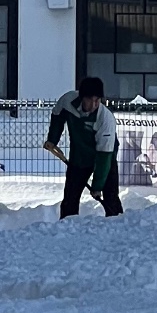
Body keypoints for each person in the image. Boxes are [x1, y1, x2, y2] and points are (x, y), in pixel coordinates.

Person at [46, 75, 122, 217]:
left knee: (111, 198)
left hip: (105, 159)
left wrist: (97, 186)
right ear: (82, 98)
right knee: (70, 199)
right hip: (79, 157)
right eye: (90, 100)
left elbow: (104, 156)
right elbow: (57, 116)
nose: (94, 105)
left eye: (97, 100)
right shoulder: (67, 101)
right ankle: (67, 226)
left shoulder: (105, 119)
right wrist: (52, 139)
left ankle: (117, 225)